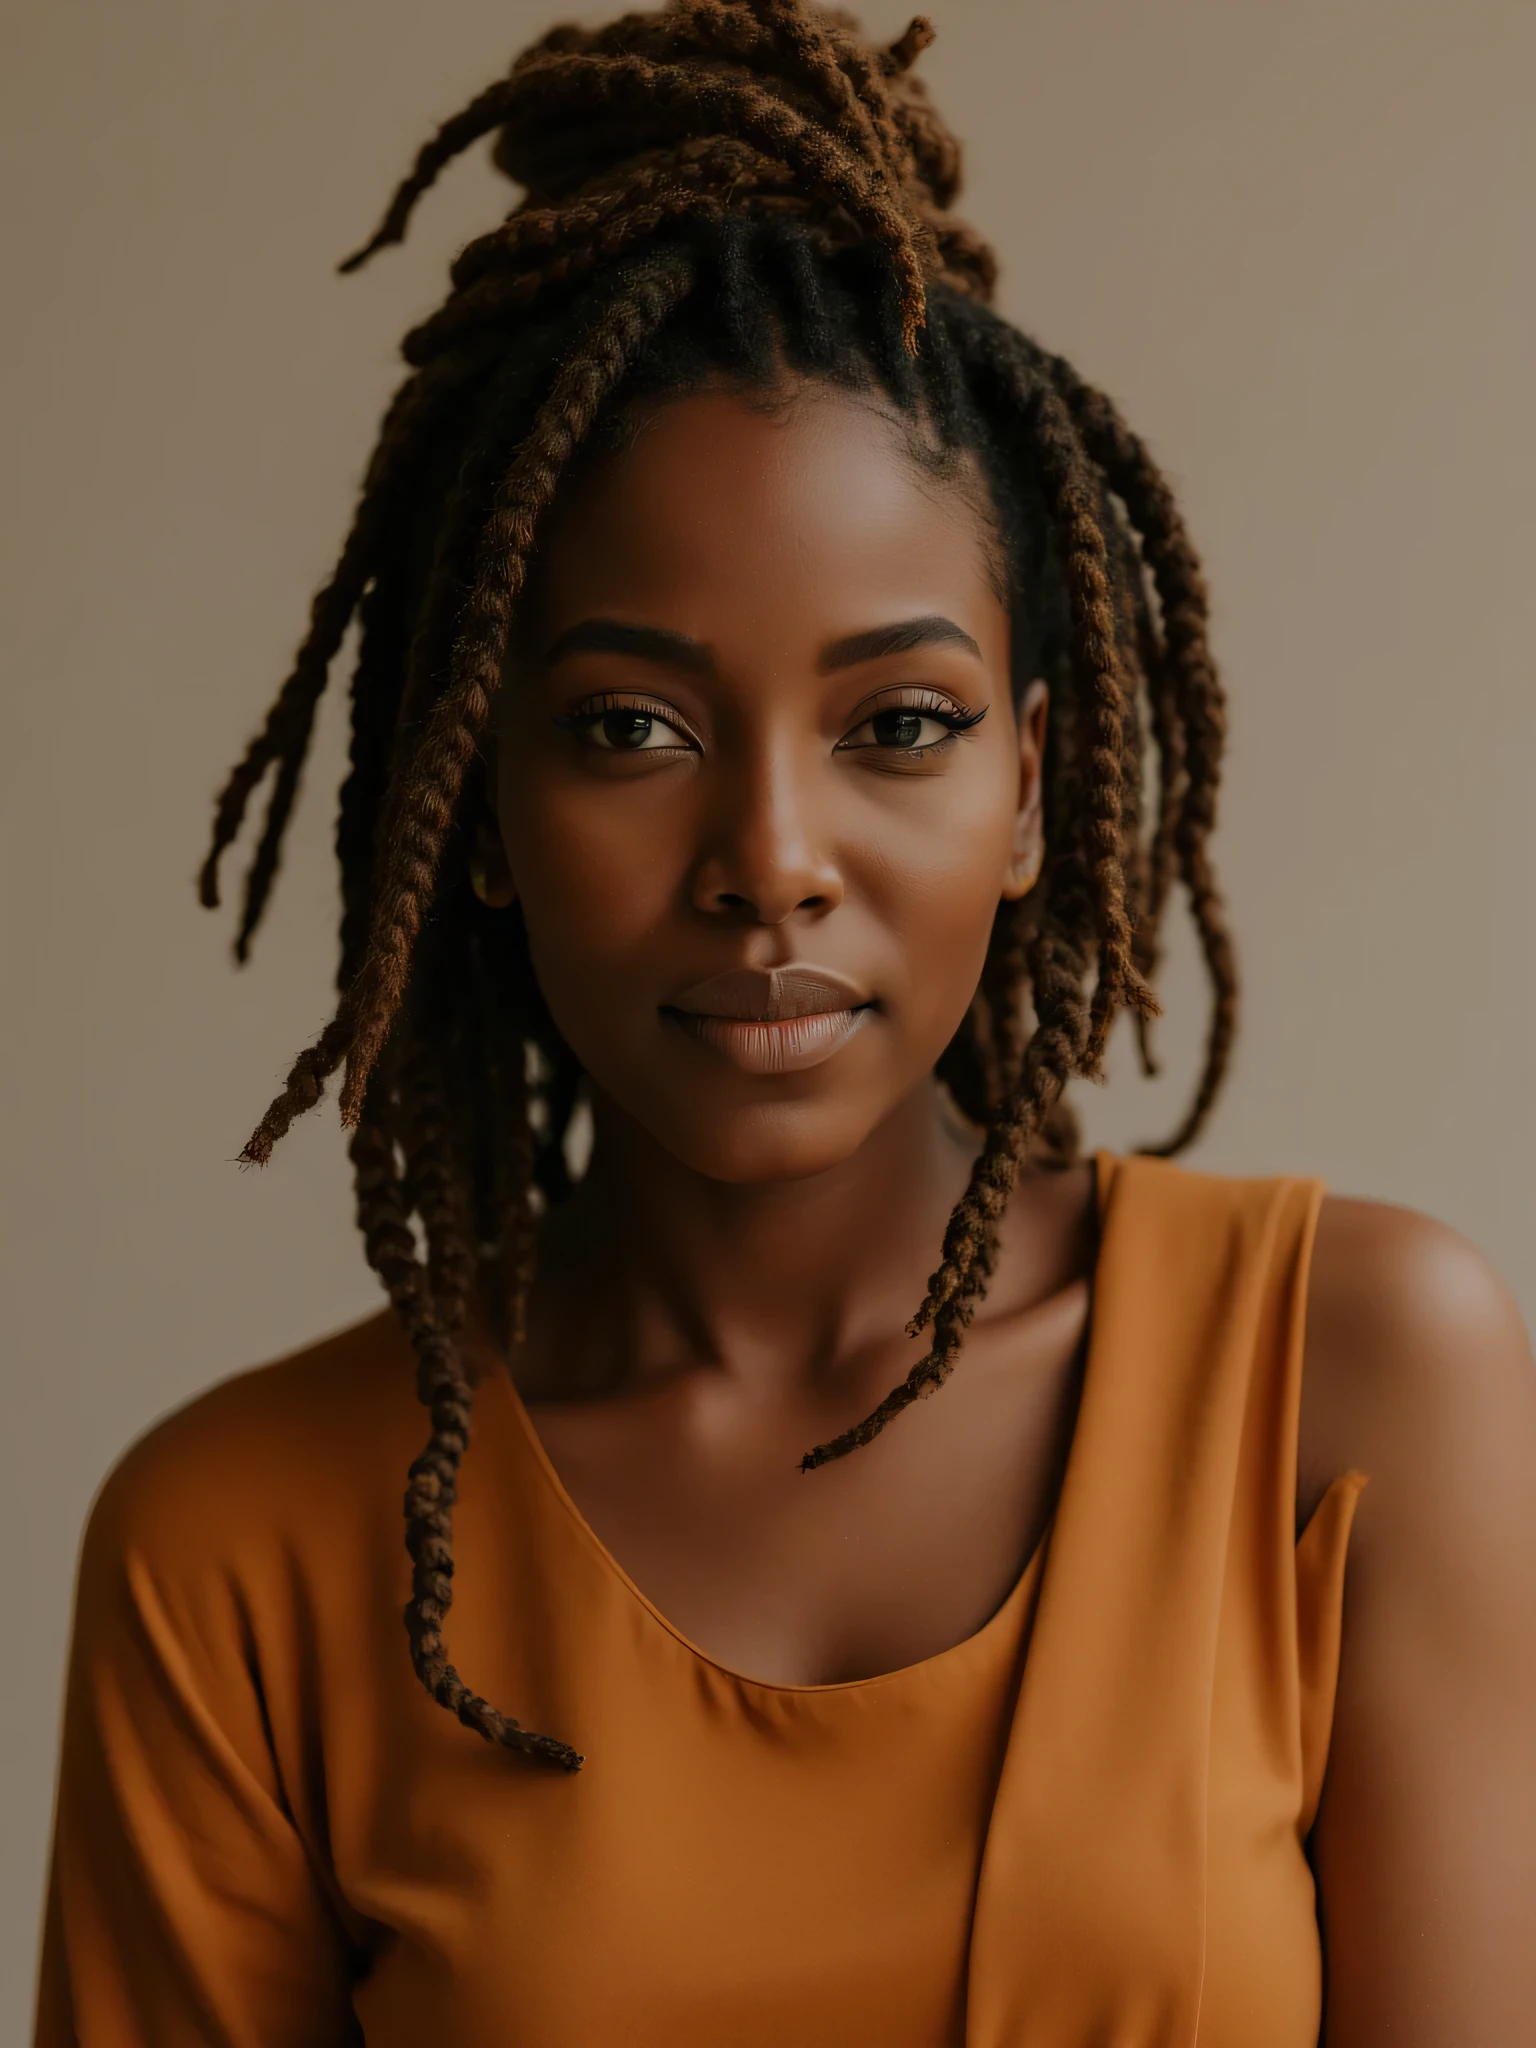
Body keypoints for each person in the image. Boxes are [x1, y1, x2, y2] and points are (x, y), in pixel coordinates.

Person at [35, 4, 1536, 2043]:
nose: (769, 856)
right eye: (629, 726)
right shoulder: (238, 1549)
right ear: (478, 803)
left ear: (1026, 788)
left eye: (895, 726)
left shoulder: (1349, 1380)